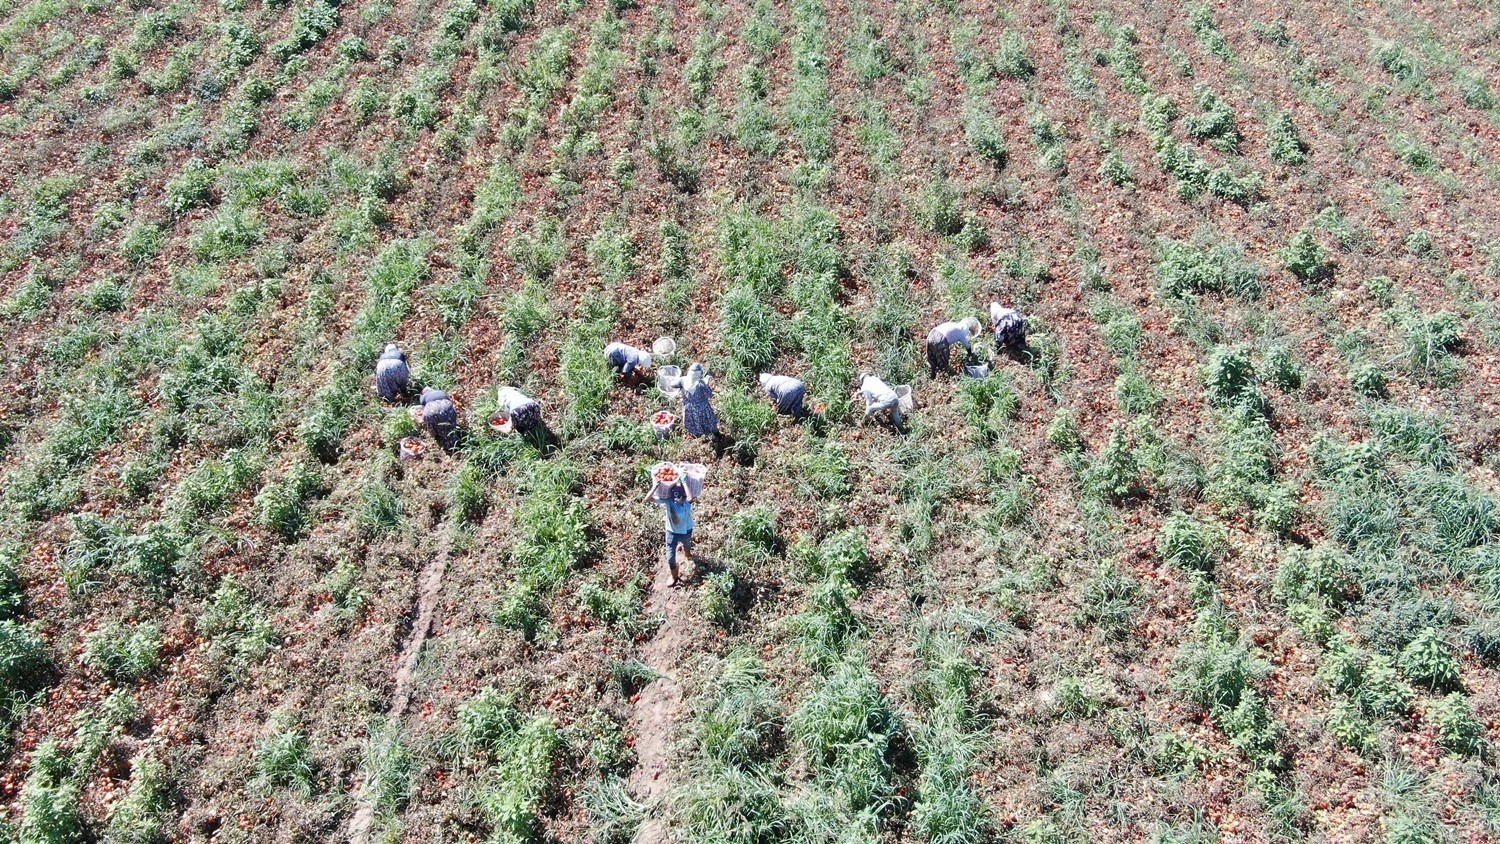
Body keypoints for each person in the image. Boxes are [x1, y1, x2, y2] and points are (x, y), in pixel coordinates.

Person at [649, 480, 694, 587]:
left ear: (683, 494)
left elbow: (690, 499)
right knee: (670, 558)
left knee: (687, 545)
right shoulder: (669, 501)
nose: (676, 498)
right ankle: (674, 575)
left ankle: (687, 554)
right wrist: (655, 486)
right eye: (674, 495)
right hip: (671, 533)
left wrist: (684, 482)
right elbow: (648, 499)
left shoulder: (686, 502)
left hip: (686, 531)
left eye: (679, 495)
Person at [680, 363, 719, 438]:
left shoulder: (683, 380)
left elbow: (673, 384)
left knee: (695, 423)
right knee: (709, 422)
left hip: (689, 409)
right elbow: (709, 394)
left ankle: (698, 435)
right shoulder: (701, 384)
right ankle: (717, 435)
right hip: (702, 409)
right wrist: (708, 385)